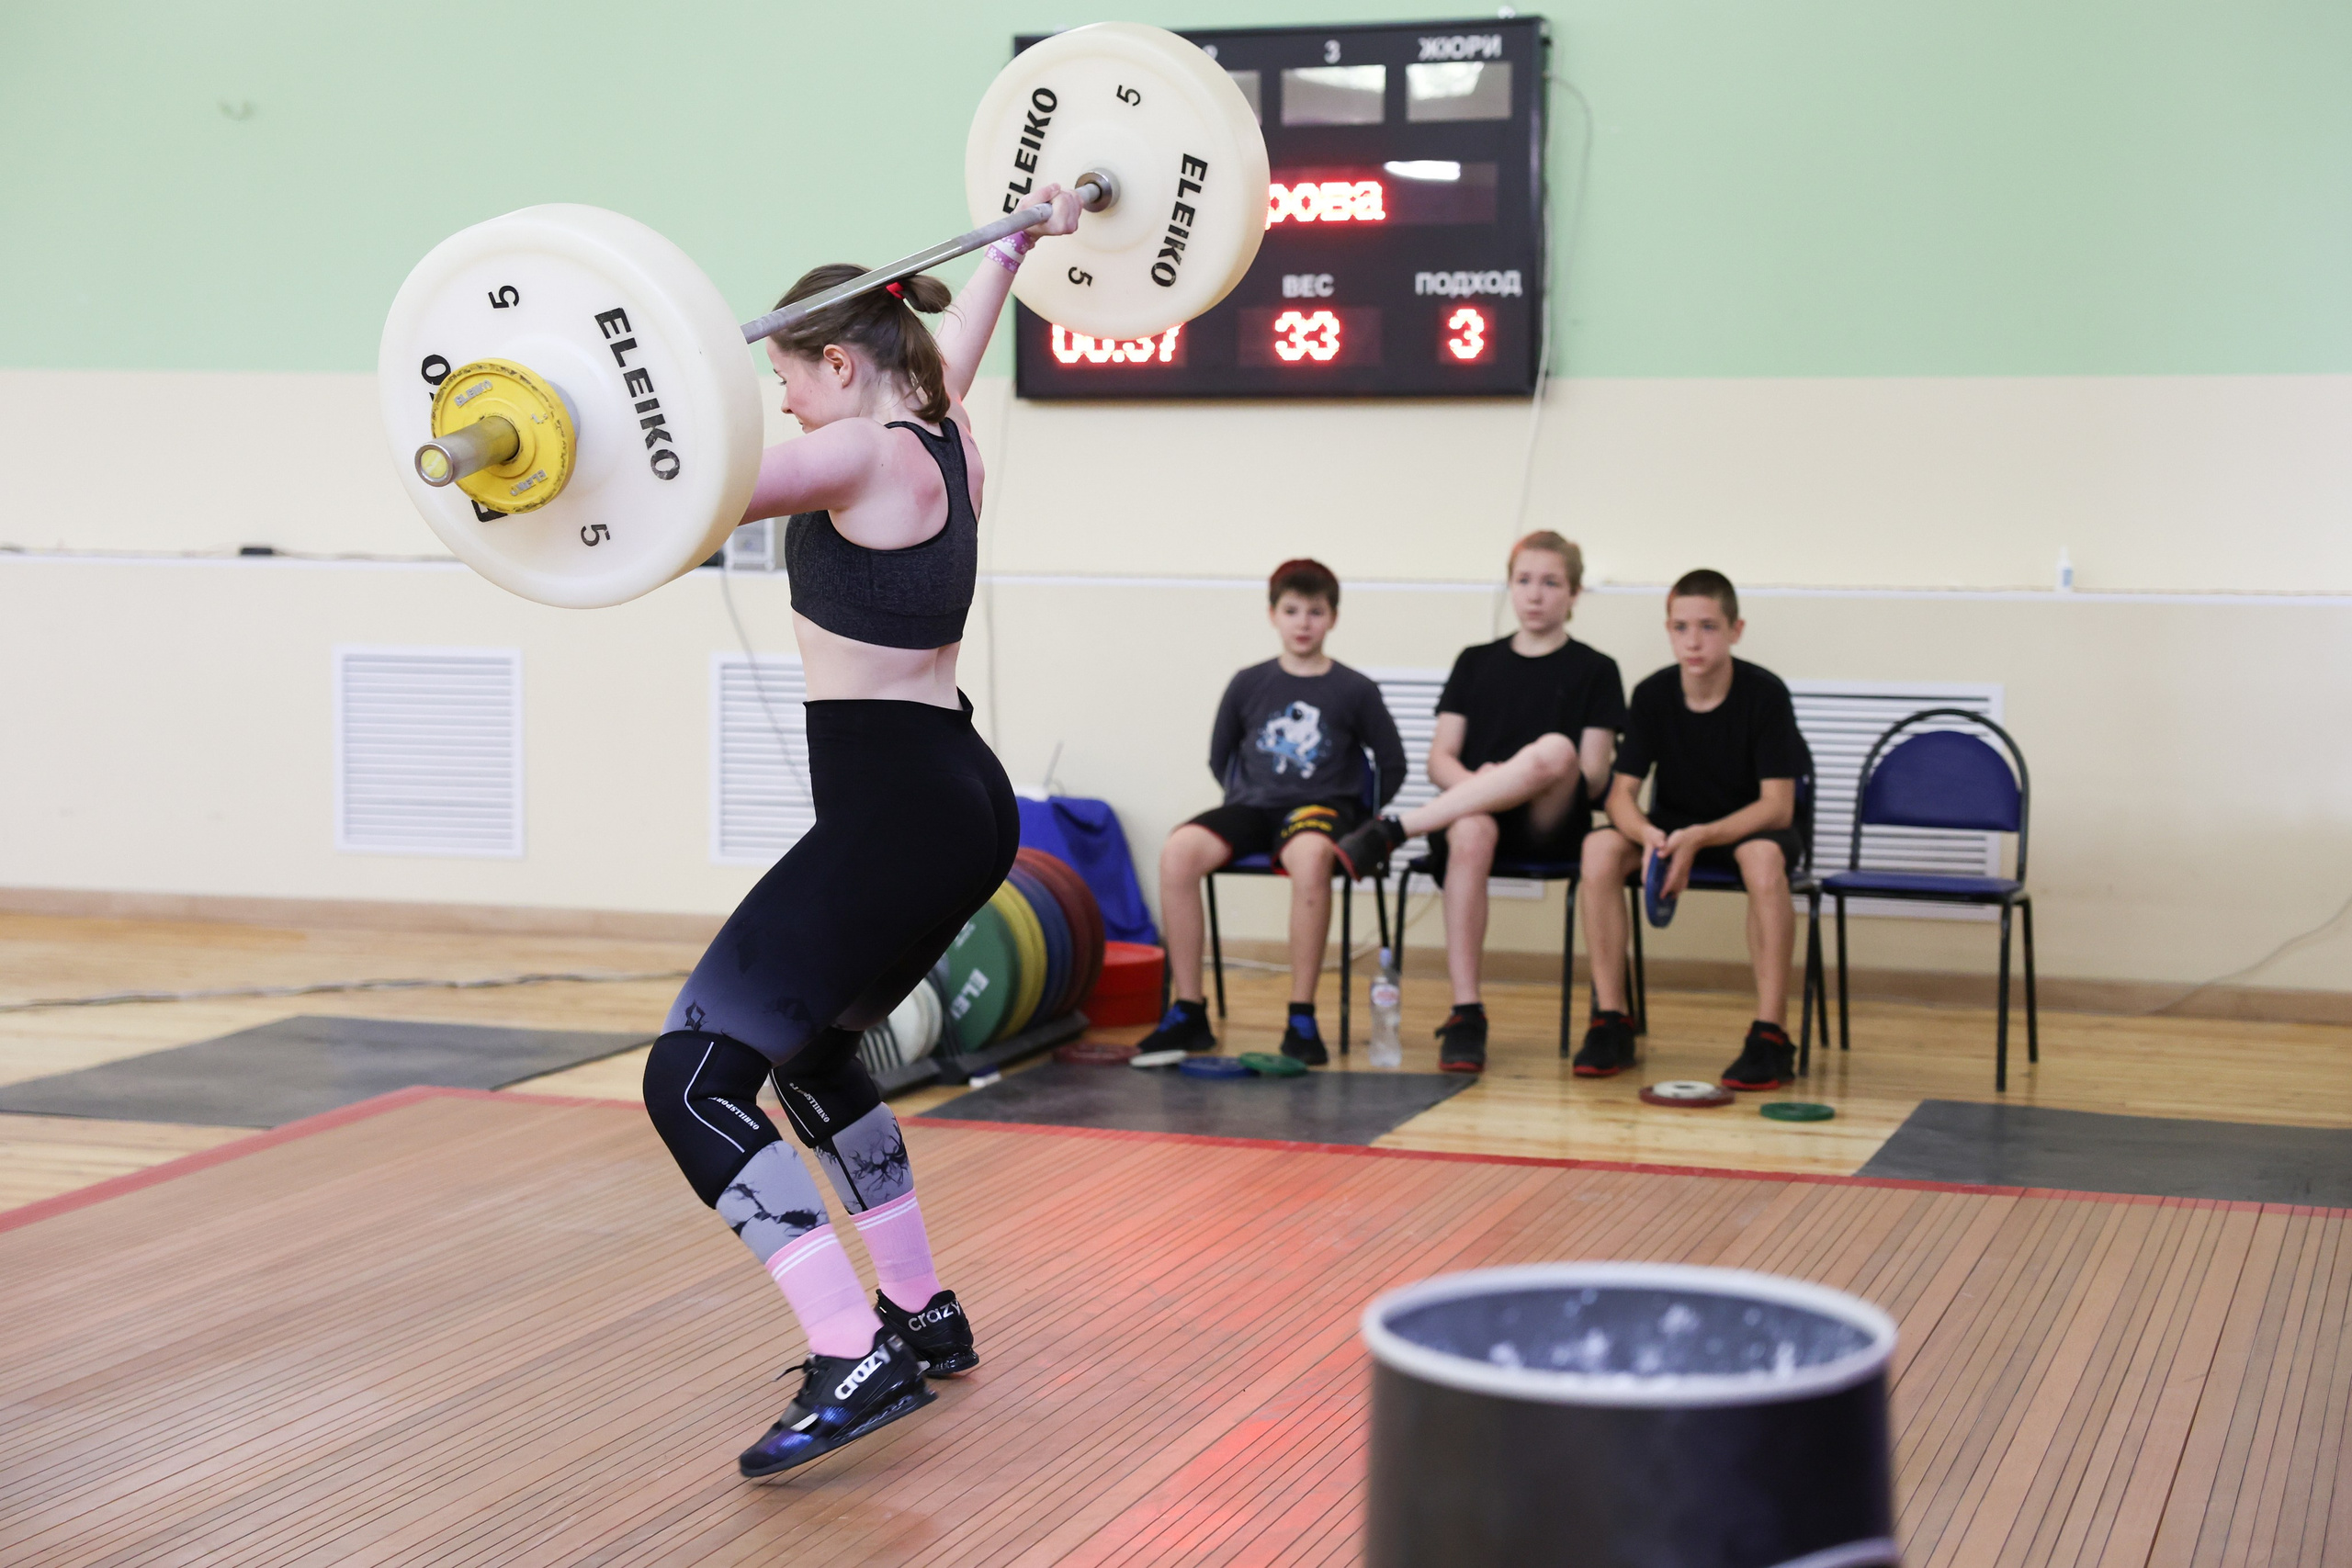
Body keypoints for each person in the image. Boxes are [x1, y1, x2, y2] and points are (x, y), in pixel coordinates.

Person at [639, 186, 1085, 1480]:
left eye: (787, 376)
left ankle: (855, 1347)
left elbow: (694, 495)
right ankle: (923, 1312)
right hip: (960, 794)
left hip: (897, 812)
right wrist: (1008, 250)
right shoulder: (943, 441)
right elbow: (944, 364)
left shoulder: (853, 454)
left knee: (691, 1078)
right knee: (821, 1058)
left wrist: (585, 427)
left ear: (840, 358)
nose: (780, 403)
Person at [1333, 533, 1624, 1072]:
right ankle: (1467, 1012)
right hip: (1475, 815)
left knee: (1556, 749)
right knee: (1470, 829)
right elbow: (1439, 760)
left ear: (1575, 594)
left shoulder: (1596, 668)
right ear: (1510, 586)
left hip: (1550, 815)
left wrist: (1520, 777)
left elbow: (1592, 774)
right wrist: (1482, 784)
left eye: (1551, 583)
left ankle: (1395, 829)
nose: (1535, 595)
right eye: (1524, 580)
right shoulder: (1475, 661)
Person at [1137, 559, 1408, 1066]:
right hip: (1253, 807)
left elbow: (1392, 763)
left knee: (1309, 858)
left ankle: (1300, 1015)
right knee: (1178, 852)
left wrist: (1360, 817)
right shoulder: (1248, 682)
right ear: (1272, 615)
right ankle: (1189, 1010)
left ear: (1333, 618)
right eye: (1292, 610)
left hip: (1321, 810)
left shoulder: (1355, 688)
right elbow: (1221, 757)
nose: (1303, 622)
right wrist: (1246, 801)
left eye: (1315, 611)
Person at [1574, 570, 1811, 1090]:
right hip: (1676, 832)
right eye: (1681, 627)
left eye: (1707, 626)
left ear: (1735, 630)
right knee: (1599, 848)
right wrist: (1649, 837)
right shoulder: (1653, 694)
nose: (1694, 640)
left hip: (1750, 829)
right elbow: (1620, 795)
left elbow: (1777, 805)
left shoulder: (1765, 694)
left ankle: (1770, 1036)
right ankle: (1611, 1021)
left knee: (1762, 860)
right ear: (1669, 630)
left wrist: (1701, 836)